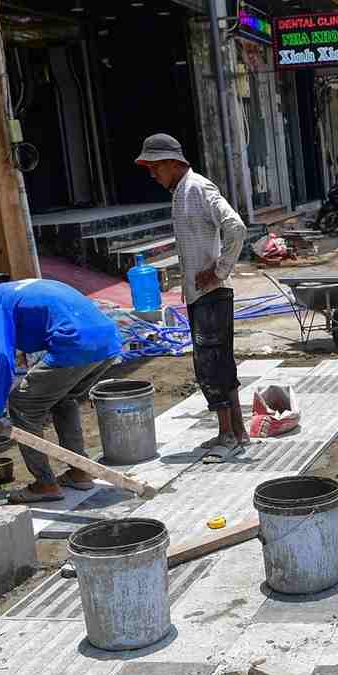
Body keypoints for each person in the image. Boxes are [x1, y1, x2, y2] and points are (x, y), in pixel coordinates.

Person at [0, 264, 122, 504]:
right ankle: (80, 472)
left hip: (76, 345)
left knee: (22, 404)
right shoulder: (21, 289)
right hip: (108, 342)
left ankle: (45, 484)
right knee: (63, 398)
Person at [136, 133, 249, 461]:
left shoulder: (197, 188)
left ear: (173, 163)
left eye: (156, 167)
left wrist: (219, 271)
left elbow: (236, 227)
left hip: (212, 293)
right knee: (219, 364)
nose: (153, 174)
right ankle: (236, 431)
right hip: (202, 295)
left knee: (211, 367)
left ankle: (228, 435)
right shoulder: (182, 192)